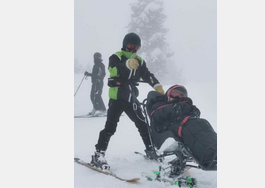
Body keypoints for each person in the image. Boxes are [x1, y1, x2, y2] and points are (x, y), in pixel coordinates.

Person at [90, 33, 165, 170]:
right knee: (110, 128)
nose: (133, 48)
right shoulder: (116, 56)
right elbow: (113, 70)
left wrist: (157, 86)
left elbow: (147, 75)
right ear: (125, 44)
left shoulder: (140, 61)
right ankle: (98, 154)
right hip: (117, 98)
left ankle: (150, 149)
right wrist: (127, 64)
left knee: (142, 124)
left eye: (136, 46)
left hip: (131, 99)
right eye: (130, 45)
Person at [146, 85, 217, 170]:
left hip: (182, 124)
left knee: (202, 122)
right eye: (175, 94)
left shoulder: (183, 106)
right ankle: (207, 156)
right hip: (165, 130)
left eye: (181, 96)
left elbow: (196, 114)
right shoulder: (160, 104)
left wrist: (187, 106)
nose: (177, 97)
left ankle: (215, 149)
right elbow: (158, 115)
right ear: (168, 95)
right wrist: (182, 106)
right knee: (191, 127)